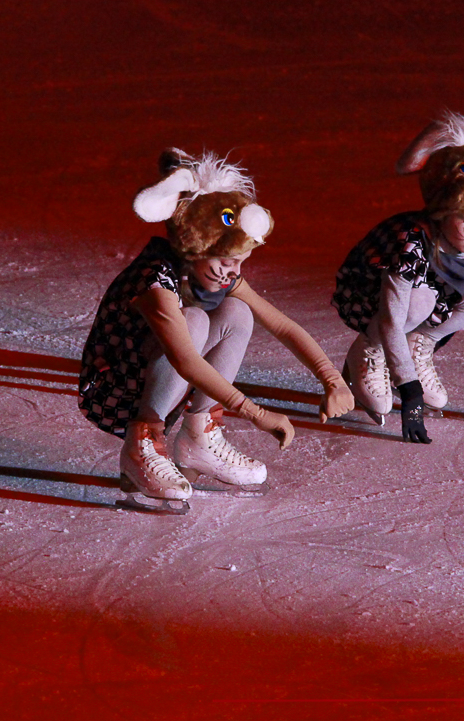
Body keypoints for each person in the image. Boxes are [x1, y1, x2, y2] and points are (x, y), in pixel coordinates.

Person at [80, 148, 354, 510]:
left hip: (161, 379)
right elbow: (186, 361)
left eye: (240, 262)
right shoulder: (155, 282)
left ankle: (198, 438)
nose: (232, 272)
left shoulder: (219, 278)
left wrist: (332, 379)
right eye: (226, 261)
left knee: (237, 311)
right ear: (197, 246)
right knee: (193, 320)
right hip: (115, 388)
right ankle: (141, 440)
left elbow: (283, 326)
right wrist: (257, 414)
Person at [332, 109, 464, 444]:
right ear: (445, 211)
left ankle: (421, 343)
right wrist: (410, 390)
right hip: (369, 296)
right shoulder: (412, 243)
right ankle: (368, 350)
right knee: (419, 300)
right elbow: (391, 318)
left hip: (418, 301)